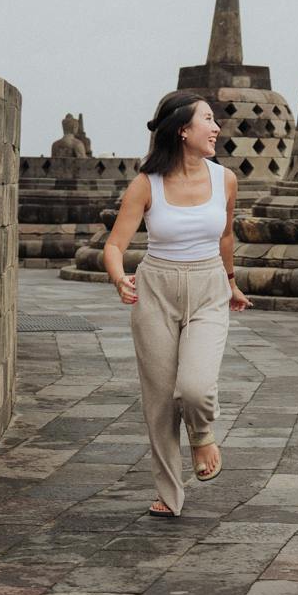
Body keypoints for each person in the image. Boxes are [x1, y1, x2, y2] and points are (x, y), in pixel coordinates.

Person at [102, 90, 252, 517]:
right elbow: (115, 245)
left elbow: (225, 236)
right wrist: (118, 278)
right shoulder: (145, 185)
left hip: (208, 288)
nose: (216, 127)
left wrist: (230, 281)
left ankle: (202, 435)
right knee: (161, 400)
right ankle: (170, 494)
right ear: (183, 130)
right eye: (208, 119)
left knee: (195, 388)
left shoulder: (225, 179)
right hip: (155, 290)